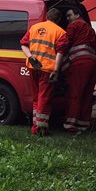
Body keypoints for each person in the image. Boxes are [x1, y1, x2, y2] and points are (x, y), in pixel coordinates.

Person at [20, 8, 67, 136]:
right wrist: (57, 70)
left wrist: (31, 57)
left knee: (36, 98)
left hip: (33, 67)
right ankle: (41, 129)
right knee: (44, 99)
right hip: (47, 70)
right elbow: (60, 53)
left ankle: (35, 125)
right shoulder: (61, 32)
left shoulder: (34, 27)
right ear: (58, 19)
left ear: (47, 16)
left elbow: (23, 44)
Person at [57, 7, 96, 133]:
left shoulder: (73, 26)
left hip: (79, 64)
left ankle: (70, 124)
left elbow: (65, 44)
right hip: (93, 64)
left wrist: (59, 63)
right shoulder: (90, 29)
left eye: (69, 15)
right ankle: (83, 124)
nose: (68, 19)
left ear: (77, 15)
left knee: (75, 94)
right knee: (87, 94)